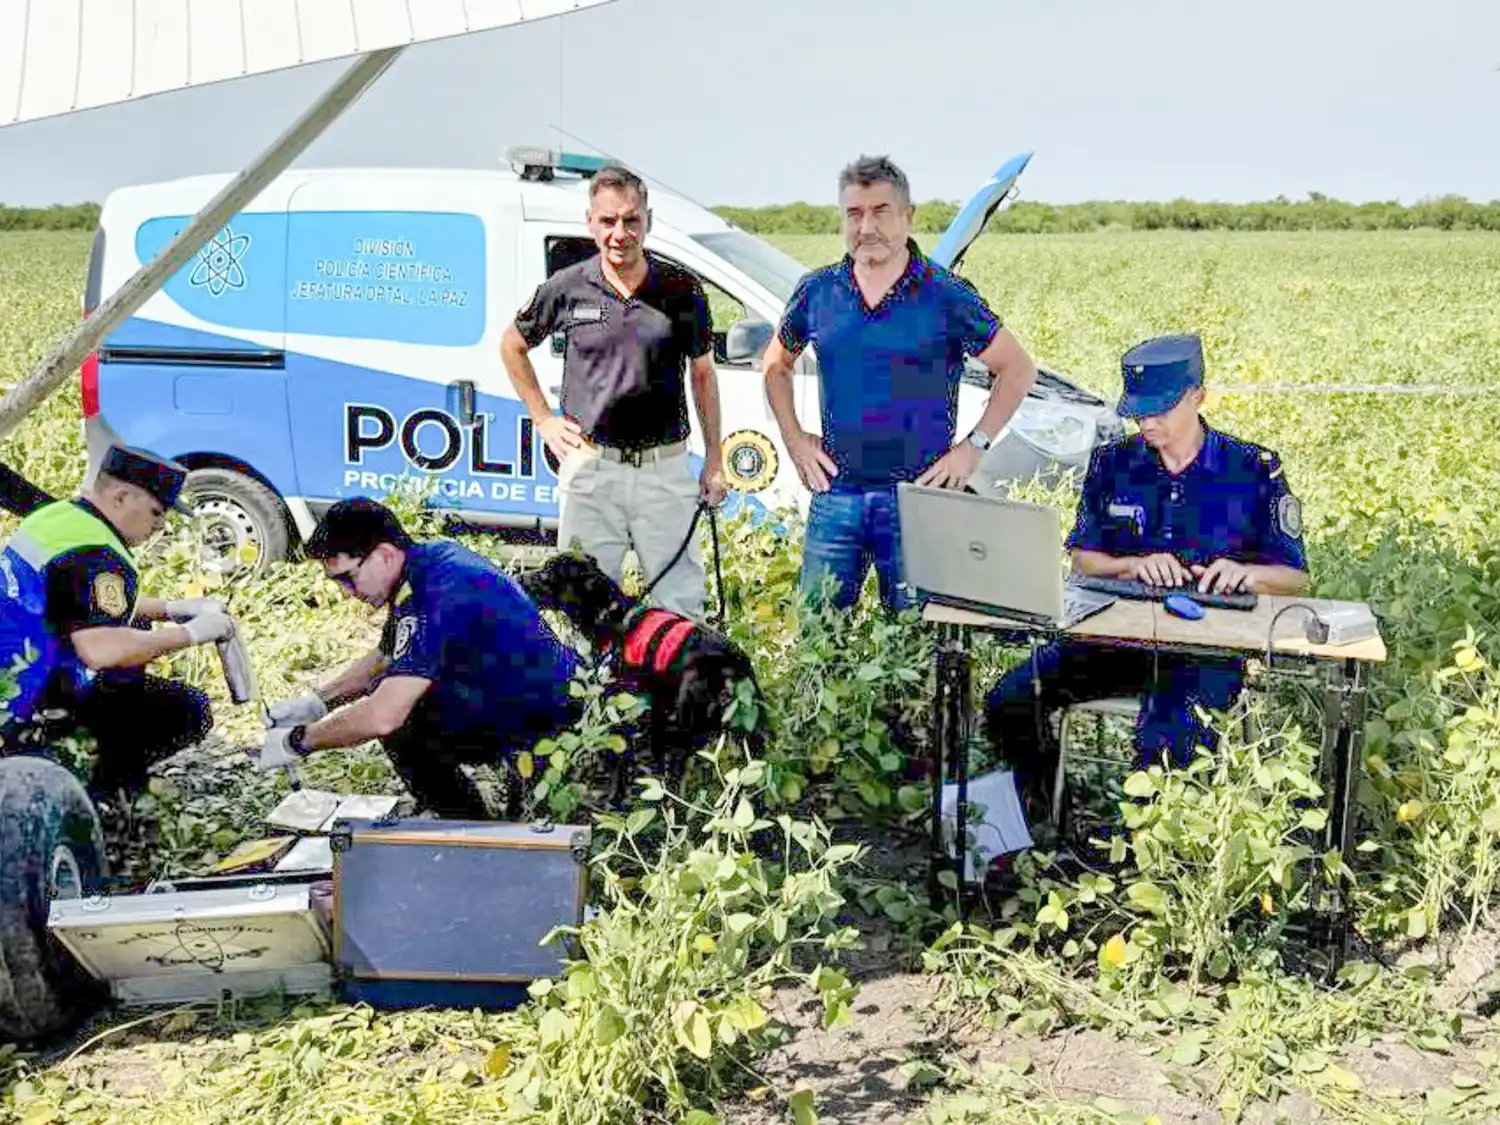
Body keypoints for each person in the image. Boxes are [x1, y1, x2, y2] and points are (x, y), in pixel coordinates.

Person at [983, 334, 1310, 820]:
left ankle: (1146, 858)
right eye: (1139, 412)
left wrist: (1244, 574)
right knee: (1010, 698)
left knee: (1168, 736)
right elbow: (1085, 560)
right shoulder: (1114, 463)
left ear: (1198, 396)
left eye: (1160, 410)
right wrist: (1133, 566)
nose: (1148, 423)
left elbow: (1294, 579)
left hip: (1204, 652)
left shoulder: (1253, 469)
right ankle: (1045, 810)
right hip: (1115, 644)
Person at [759, 154, 1040, 613]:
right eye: (854, 214)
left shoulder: (946, 295)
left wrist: (974, 448)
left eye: (880, 212)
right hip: (836, 495)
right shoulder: (818, 291)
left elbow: (1017, 368)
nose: (866, 227)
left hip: (918, 501)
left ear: (908, 217)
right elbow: (775, 365)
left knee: (913, 641)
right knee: (820, 638)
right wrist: (793, 438)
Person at [255, 498, 582, 820]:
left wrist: (298, 742)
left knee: (398, 717)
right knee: (396, 700)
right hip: (508, 697)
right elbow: (387, 656)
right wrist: (317, 702)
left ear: (383, 554)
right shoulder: (423, 566)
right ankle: (464, 820)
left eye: (347, 578)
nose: (346, 593)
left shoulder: (443, 592)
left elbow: (383, 716)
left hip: (547, 718)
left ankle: (468, 829)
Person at [499, 162, 726, 619]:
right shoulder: (567, 287)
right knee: (583, 609)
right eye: (608, 221)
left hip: (663, 471)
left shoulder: (682, 290)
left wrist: (715, 461)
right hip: (590, 473)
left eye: (630, 219)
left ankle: (671, 691)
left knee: (679, 607)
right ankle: (592, 693)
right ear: (590, 222)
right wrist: (542, 418)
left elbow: (703, 376)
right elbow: (512, 345)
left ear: (648, 221)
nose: (619, 232)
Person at [0, 445, 233, 804]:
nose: (160, 527)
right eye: (157, 513)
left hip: (11, 675)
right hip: (27, 706)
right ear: (123, 496)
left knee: (137, 633)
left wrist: (171, 609)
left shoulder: (59, 519)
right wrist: (191, 634)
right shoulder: (98, 552)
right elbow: (100, 650)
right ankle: (90, 792)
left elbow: (79, 602)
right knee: (186, 710)